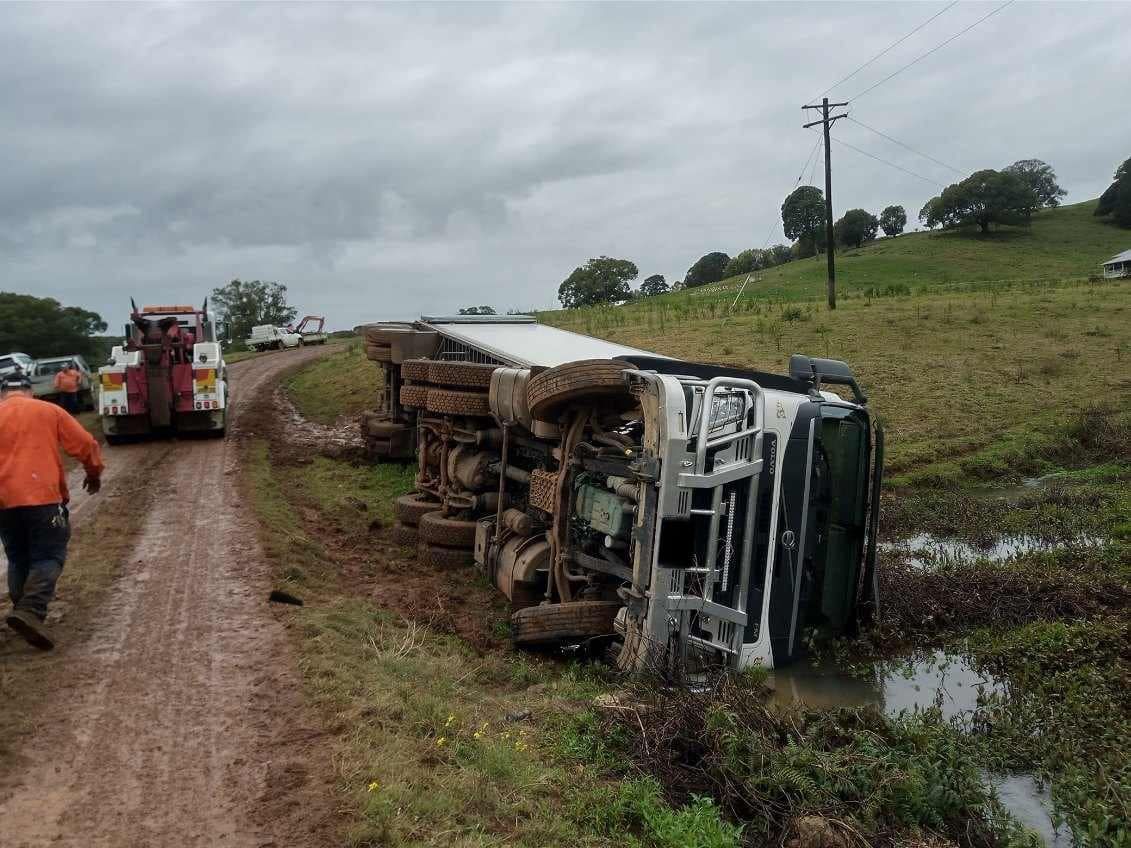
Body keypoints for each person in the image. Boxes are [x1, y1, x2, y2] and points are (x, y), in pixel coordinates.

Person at [0, 371, 103, 649]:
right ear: (29, 390)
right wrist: (93, 474)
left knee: (18, 556)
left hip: (4, 502)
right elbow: (85, 444)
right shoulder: (48, 410)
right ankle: (31, 612)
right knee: (48, 555)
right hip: (42, 497)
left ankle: (25, 615)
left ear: (2, 393)